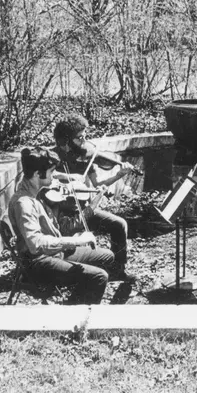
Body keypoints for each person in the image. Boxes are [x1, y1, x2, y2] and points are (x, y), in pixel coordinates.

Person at [8, 148, 115, 305]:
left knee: (108, 256)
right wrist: (75, 241)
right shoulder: (24, 203)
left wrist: (95, 200)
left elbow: (63, 227)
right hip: (39, 262)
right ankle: (72, 318)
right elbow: (35, 244)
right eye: (52, 172)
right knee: (99, 277)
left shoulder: (35, 191)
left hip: (53, 252)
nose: (54, 177)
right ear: (37, 174)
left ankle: (76, 299)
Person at [52, 113, 137, 282]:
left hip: (83, 210)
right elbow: (47, 175)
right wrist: (67, 177)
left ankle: (118, 271)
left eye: (85, 136)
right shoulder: (52, 157)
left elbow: (98, 185)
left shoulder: (85, 157)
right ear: (66, 140)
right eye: (79, 137)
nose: (84, 141)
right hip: (61, 217)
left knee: (119, 225)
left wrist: (119, 175)